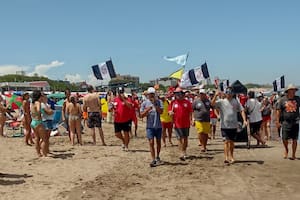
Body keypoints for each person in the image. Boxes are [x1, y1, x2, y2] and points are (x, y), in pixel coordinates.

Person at [211, 87, 247, 164]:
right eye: (227, 93)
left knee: (231, 142)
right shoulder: (221, 101)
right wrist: (215, 95)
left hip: (233, 125)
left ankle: (231, 156)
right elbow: (212, 104)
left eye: (230, 93)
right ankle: (226, 157)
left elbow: (242, 110)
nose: (229, 95)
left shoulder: (236, 102)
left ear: (232, 94)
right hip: (224, 125)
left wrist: (244, 120)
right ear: (225, 94)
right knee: (226, 141)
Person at [140, 87, 163, 167]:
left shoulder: (159, 102)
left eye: (153, 94)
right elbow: (141, 115)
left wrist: (155, 106)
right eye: (150, 94)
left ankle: (158, 156)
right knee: (151, 142)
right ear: (148, 95)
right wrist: (147, 110)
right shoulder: (144, 103)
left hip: (158, 126)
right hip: (150, 126)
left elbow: (161, 112)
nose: (152, 96)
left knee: (158, 142)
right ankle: (153, 159)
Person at [276, 84, 300, 160]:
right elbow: (278, 111)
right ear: (288, 91)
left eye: (294, 90)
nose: (293, 91)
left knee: (295, 139)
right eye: (292, 90)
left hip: (295, 121)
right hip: (285, 122)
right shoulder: (282, 100)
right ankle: (286, 149)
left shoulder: (298, 99)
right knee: (284, 138)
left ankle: (293, 154)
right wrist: (277, 121)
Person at [169, 87, 193, 161]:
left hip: (186, 123)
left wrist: (192, 120)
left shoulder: (187, 102)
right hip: (177, 123)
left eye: (180, 93)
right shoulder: (173, 103)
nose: (178, 95)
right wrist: (170, 113)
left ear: (183, 94)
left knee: (185, 138)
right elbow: (169, 111)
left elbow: (190, 112)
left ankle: (184, 151)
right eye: (177, 94)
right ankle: (181, 153)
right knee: (179, 139)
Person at [109, 87, 133, 151]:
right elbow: (110, 109)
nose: (120, 94)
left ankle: (126, 146)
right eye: (119, 92)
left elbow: (130, 107)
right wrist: (111, 108)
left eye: (121, 92)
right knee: (117, 134)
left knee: (126, 133)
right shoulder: (115, 100)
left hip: (126, 120)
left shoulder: (127, 99)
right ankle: (123, 140)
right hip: (117, 120)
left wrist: (123, 99)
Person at [30, 90, 47, 157]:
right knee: (44, 139)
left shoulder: (32, 103)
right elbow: (39, 110)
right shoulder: (38, 103)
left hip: (33, 121)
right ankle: (44, 153)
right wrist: (41, 111)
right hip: (38, 121)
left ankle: (38, 153)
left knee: (37, 138)